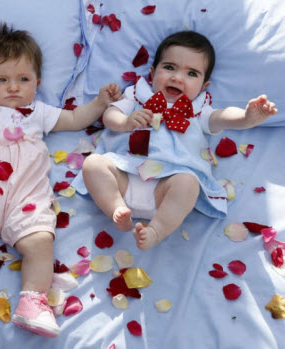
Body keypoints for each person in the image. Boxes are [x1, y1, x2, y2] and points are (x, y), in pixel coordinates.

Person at [0, 22, 121, 339]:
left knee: (40, 243)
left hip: (24, 200)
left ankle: (34, 302)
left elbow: (73, 119)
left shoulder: (39, 112)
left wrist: (99, 104)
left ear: (37, 82)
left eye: (23, 80)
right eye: (1, 80)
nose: (13, 88)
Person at [79, 30, 278, 250]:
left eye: (191, 73)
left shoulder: (198, 111)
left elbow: (221, 118)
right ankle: (116, 209)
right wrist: (125, 121)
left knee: (188, 182)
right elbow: (109, 116)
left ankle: (156, 230)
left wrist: (246, 117)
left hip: (166, 191)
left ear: (203, 87)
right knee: (93, 164)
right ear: (153, 73)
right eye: (169, 67)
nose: (177, 77)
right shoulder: (137, 96)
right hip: (123, 176)